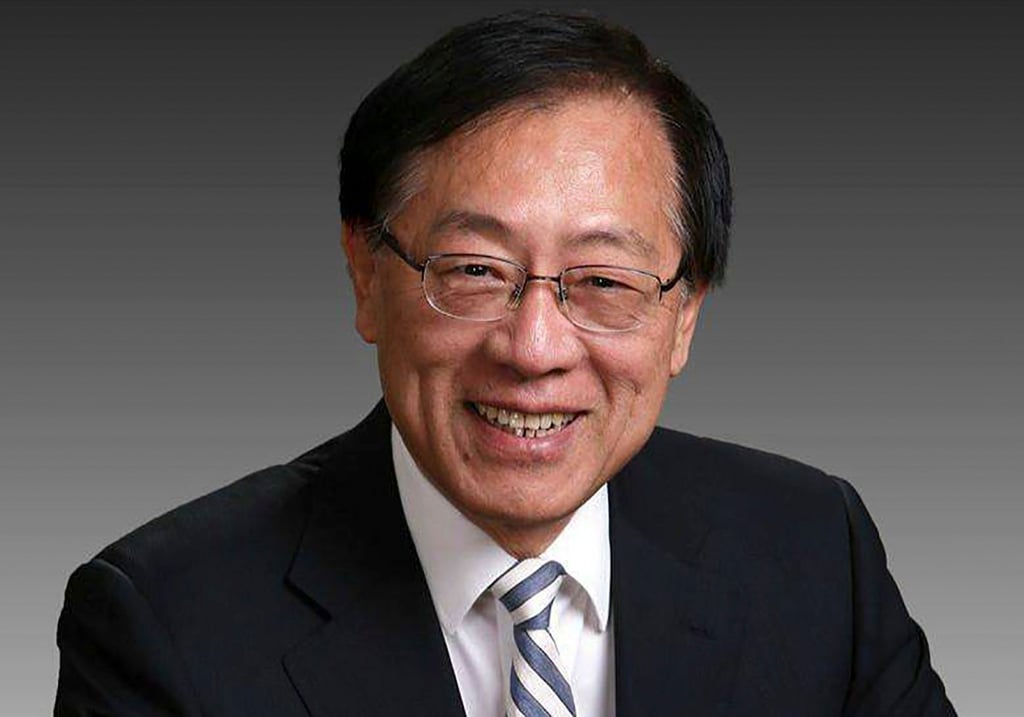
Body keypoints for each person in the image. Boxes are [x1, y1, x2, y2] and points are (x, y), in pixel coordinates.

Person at [55, 10, 956, 716]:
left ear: (684, 316)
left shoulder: (813, 554)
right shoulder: (162, 622)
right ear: (366, 275)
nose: (534, 348)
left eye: (603, 281)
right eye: (475, 270)